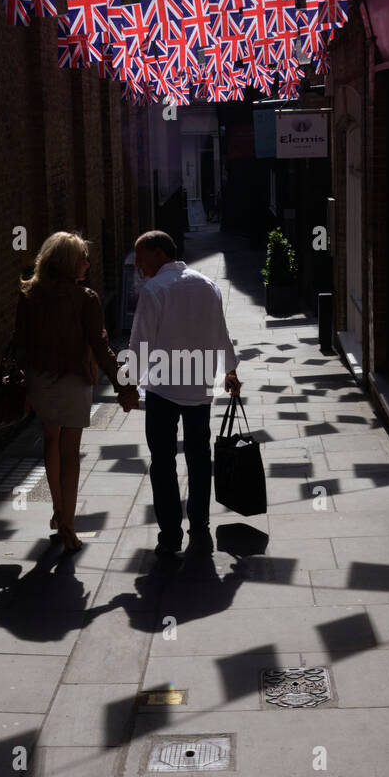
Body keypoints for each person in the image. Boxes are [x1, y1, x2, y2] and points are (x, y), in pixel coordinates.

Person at [14, 231, 138, 552]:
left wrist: (28, 384)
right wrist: (123, 384)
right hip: (74, 380)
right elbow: (101, 347)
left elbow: (21, 344)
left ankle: (59, 514)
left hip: (41, 380)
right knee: (71, 454)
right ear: (69, 262)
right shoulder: (86, 299)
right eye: (82, 257)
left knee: (51, 443)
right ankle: (68, 525)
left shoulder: (28, 294)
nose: (87, 263)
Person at [127, 231, 241, 557]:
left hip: (163, 388)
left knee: (163, 462)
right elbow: (221, 332)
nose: (137, 264)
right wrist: (230, 370)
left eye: (140, 256)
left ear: (159, 253)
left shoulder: (154, 290)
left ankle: (170, 535)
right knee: (199, 457)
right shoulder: (208, 285)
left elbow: (140, 345)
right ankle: (200, 525)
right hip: (199, 387)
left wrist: (129, 386)